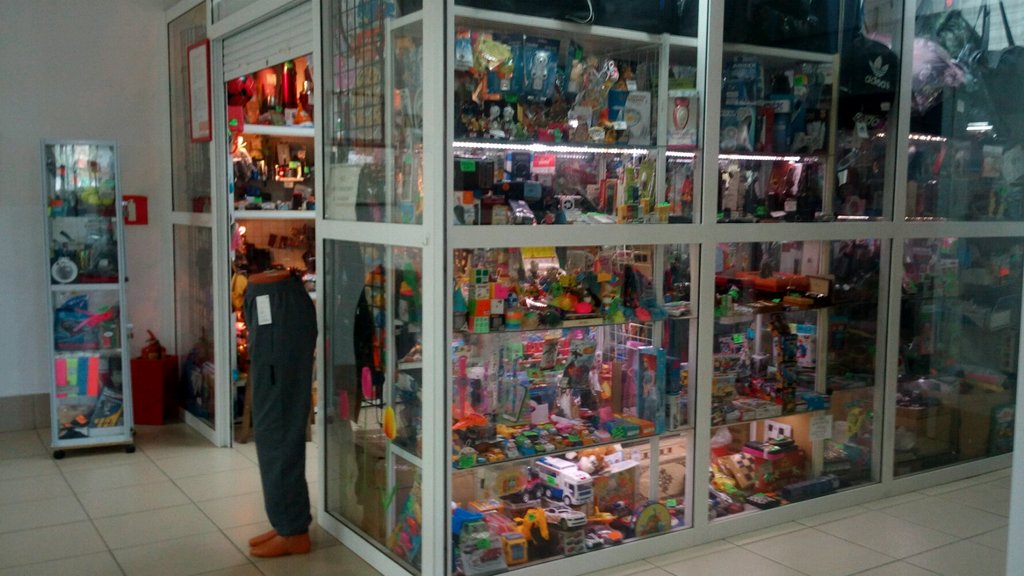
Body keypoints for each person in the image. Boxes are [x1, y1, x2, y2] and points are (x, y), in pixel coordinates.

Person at [243, 267, 318, 557]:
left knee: (277, 427)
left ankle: (293, 531)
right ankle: (286, 521)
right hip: (272, 301)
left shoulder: (281, 300)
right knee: (273, 427)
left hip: (278, 304)